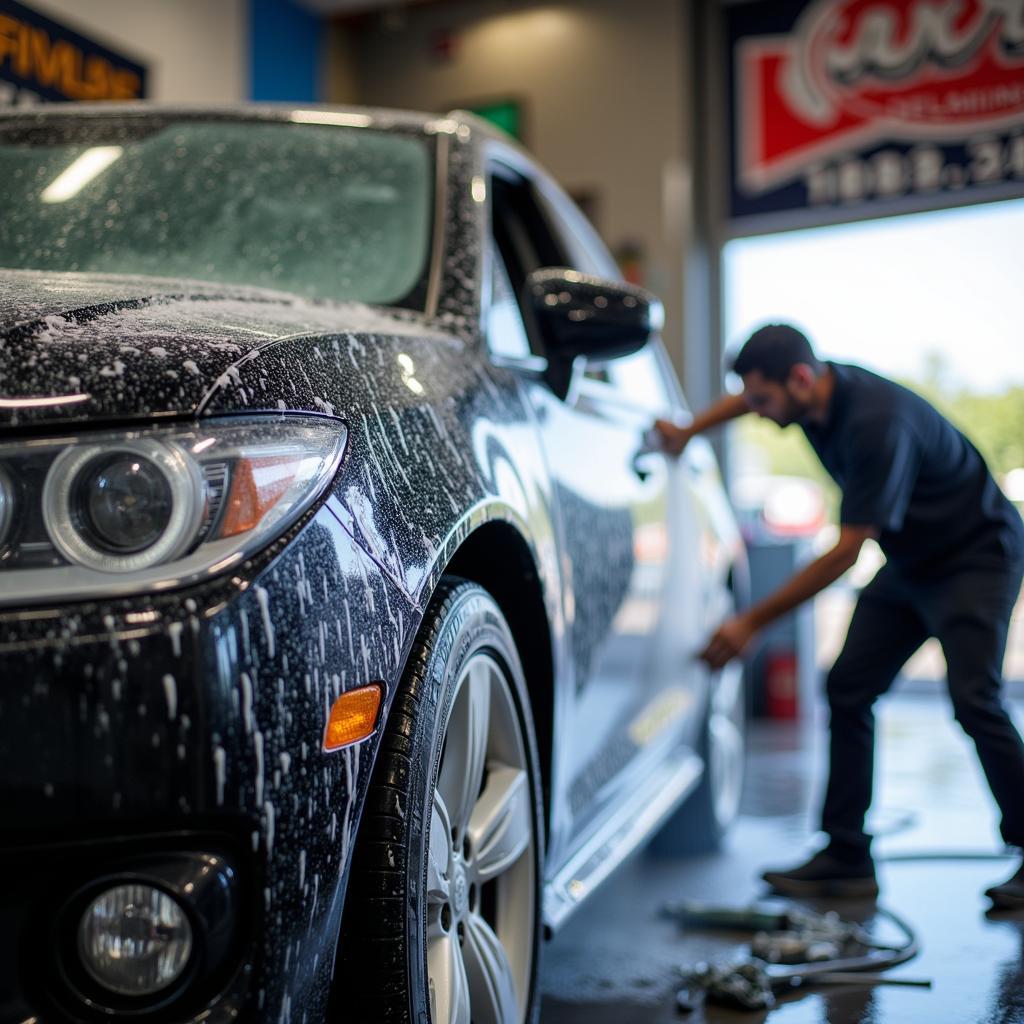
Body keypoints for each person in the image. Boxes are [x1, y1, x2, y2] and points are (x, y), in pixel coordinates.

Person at [653, 324, 1024, 907]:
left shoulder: (875, 423)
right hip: (913, 559)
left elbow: (847, 550)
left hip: (975, 554)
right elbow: (745, 399)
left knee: (975, 700)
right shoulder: (808, 392)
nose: (762, 414)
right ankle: (847, 855)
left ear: (800, 379)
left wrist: (752, 621)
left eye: (765, 400)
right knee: (848, 686)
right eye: (753, 400)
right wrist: (687, 430)